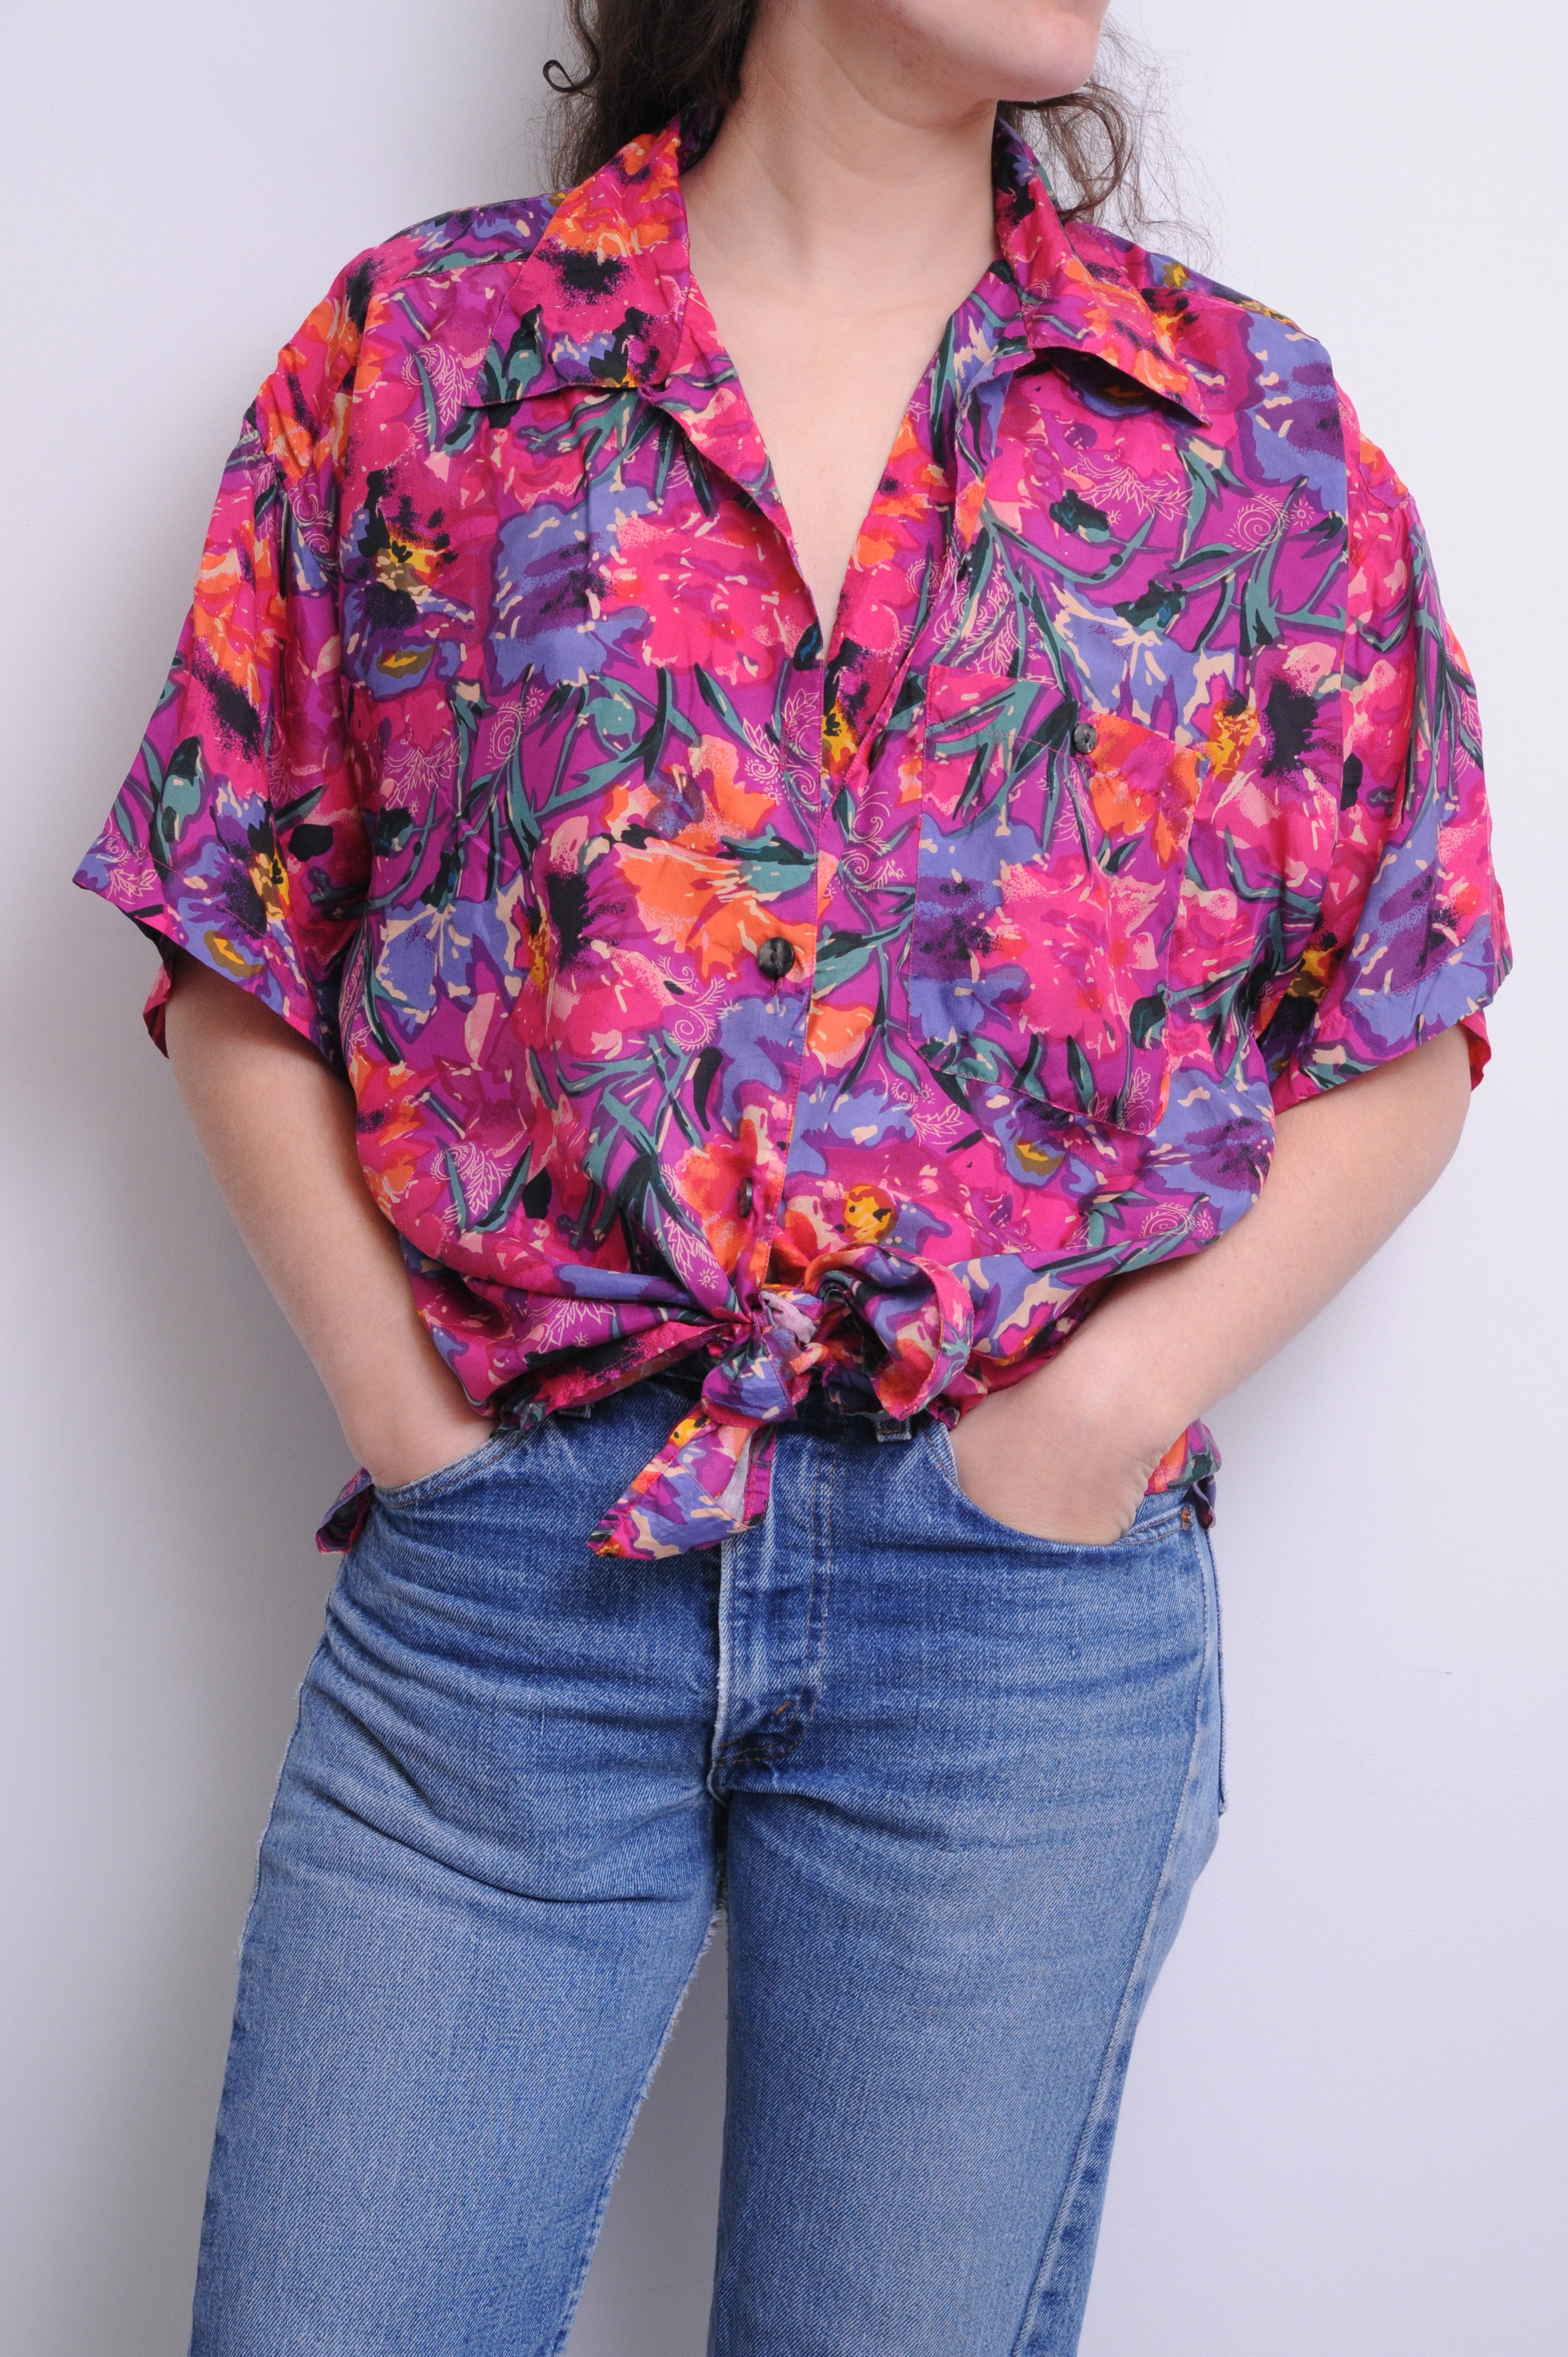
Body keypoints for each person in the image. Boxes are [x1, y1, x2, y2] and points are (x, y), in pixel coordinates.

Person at [74, 1, 1508, 2348]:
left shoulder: (1235, 425)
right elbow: (236, 917)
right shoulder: (435, 356)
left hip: (1012, 1625)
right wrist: (417, 1431)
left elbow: (1411, 1012)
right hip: (519, 1582)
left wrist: (1088, 1426)